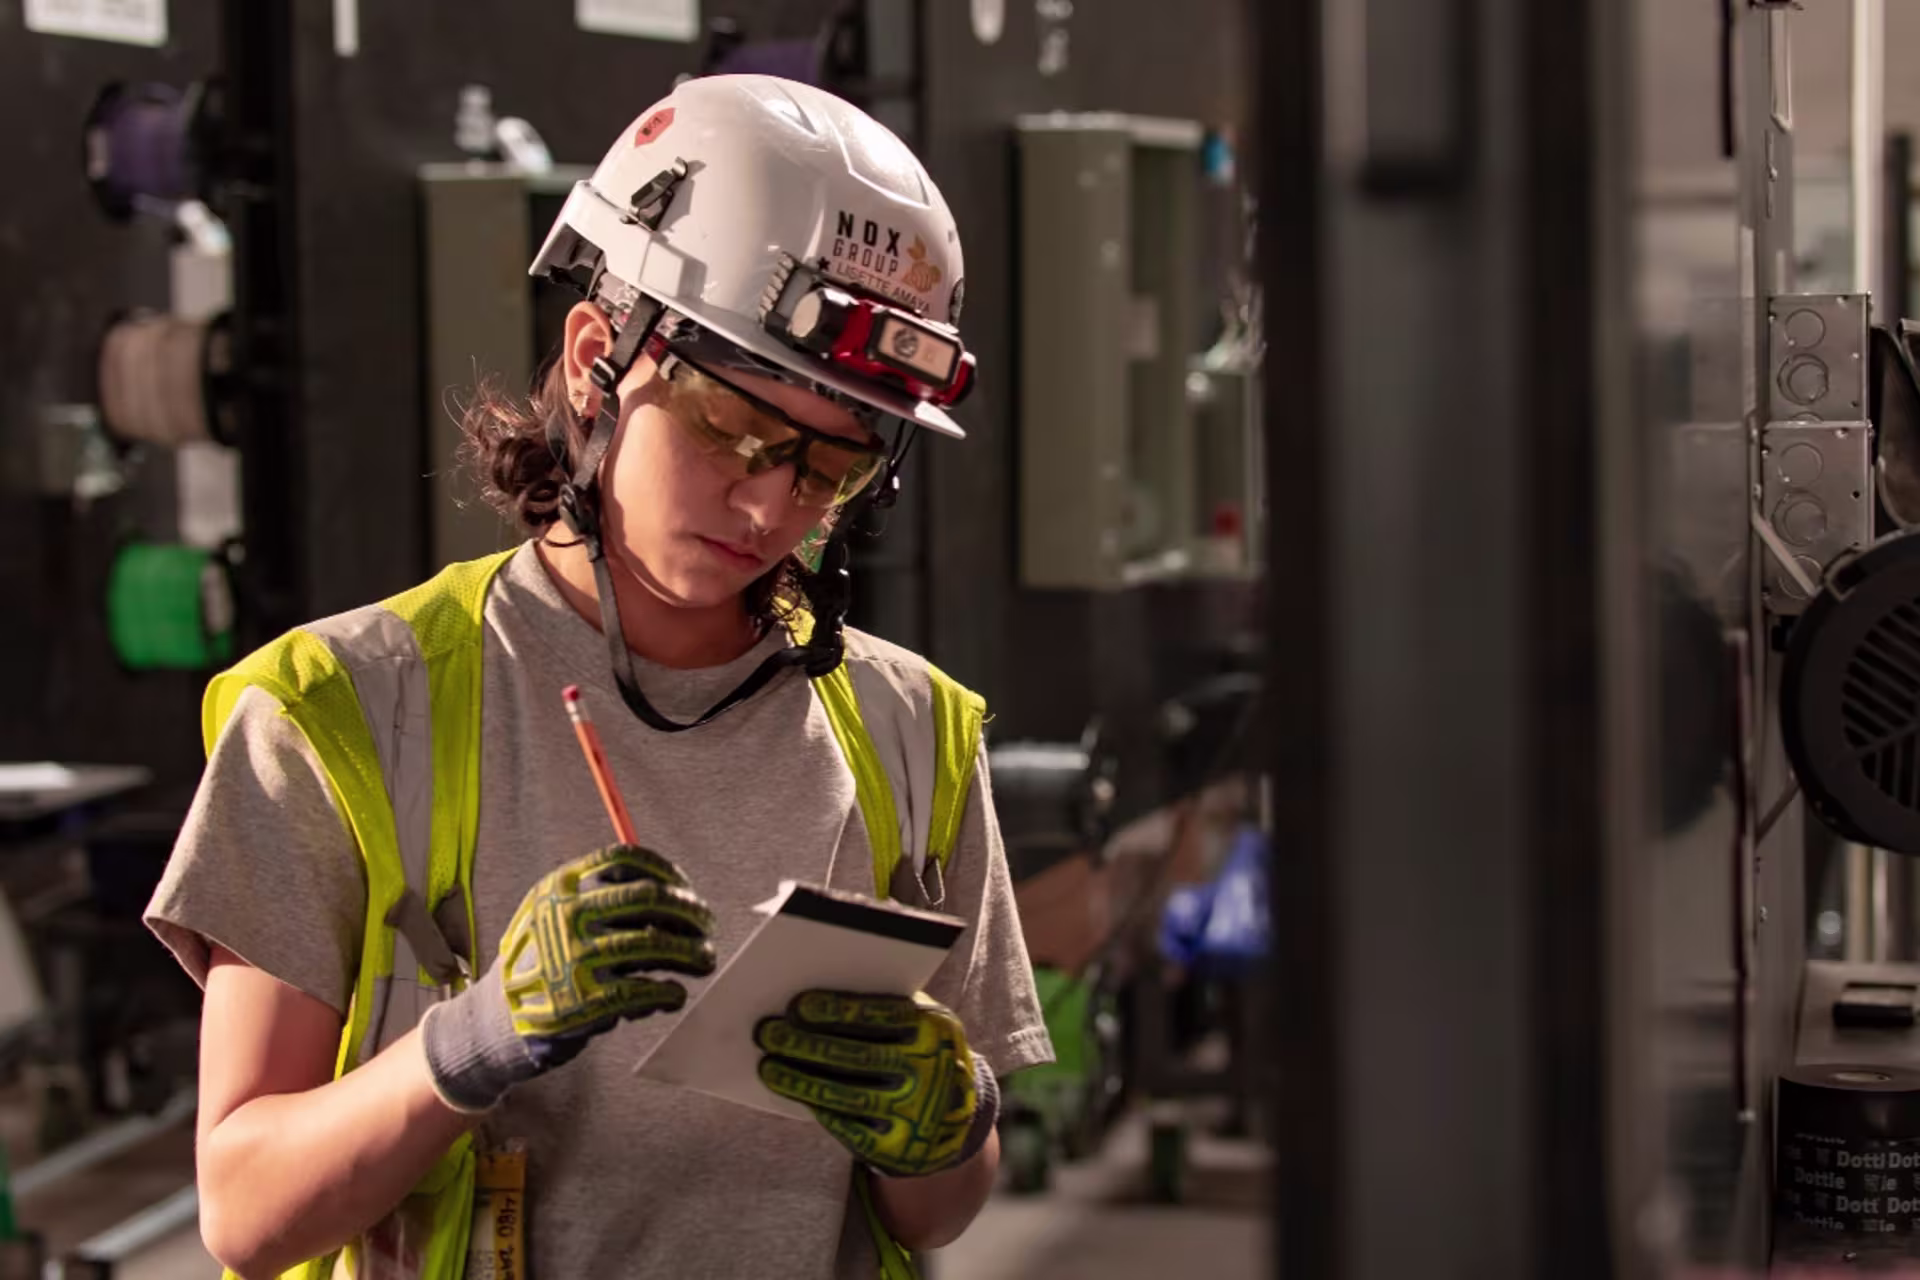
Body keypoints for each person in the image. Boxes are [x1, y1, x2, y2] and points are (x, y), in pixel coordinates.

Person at [143, 73, 1052, 1280]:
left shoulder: (913, 734)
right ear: (594, 357)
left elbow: (936, 1213)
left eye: (832, 468)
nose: (771, 502)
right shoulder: (341, 712)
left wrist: (950, 1124)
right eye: (732, 429)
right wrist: (466, 1045)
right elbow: (245, 1210)